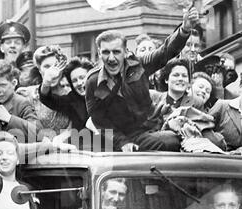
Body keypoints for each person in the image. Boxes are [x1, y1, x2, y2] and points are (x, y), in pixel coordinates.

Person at [85, 6, 200, 152]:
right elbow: (99, 121)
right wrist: (122, 142)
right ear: (99, 54)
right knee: (169, 142)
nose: (112, 58)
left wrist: (184, 29)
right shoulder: (93, 82)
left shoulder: (138, 65)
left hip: (150, 127)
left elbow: (165, 52)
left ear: (126, 52)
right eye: (106, 53)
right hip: (121, 137)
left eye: (116, 52)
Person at [39, 56, 94, 132]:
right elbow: (47, 99)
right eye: (74, 80)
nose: (79, 83)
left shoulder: (106, 94)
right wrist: (46, 82)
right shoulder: (72, 100)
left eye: (82, 77)